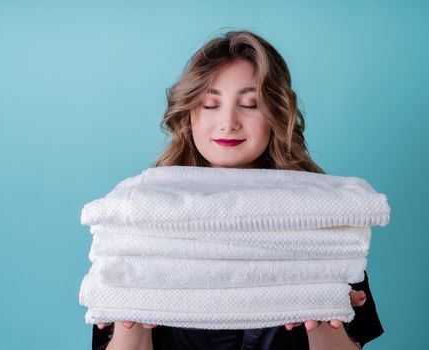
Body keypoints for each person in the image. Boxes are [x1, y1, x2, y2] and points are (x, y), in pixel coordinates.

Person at [90, 30, 384, 349]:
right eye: (210, 104)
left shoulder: (320, 222)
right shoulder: (141, 222)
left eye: (249, 104)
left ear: (277, 112)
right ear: (189, 114)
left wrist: (322, 317)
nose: (228, 122)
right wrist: (131, 320)